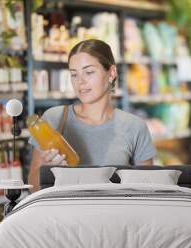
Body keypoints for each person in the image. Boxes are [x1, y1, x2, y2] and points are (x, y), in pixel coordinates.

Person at [28, 39, 156, 191]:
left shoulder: (135, 127)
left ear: (111, 73)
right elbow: (32, 186)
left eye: (89, 72)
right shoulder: (54, 119)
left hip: (116, 214)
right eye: (74, 74)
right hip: (68, 214)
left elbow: (148, 190)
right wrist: (47, 170)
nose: (80, 82)